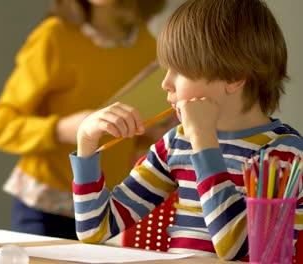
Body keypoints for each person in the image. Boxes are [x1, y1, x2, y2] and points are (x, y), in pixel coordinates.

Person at [70, 0, 303, 260]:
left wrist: (204, 143)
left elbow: (236, 250)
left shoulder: (284, 154)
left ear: (234, 77)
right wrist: (86, 142)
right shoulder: (177, 143)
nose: (165, 83)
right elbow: (95, 229)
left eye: (180, 70)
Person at [0, 0, 167, 239]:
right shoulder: (53, 36)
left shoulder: (148, 46)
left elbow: (136, 137)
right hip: (45, 207)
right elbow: (0, 127)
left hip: (108, 212)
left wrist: (152, 134)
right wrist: (61, 129)